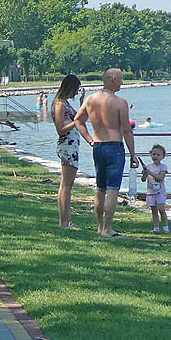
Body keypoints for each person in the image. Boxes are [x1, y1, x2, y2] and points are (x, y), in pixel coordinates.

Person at [72, 67, 138, 237]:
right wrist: (133, 154)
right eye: (121, 78)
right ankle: (108, 228)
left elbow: (78, 120)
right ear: (113, 79)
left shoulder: (91, 99)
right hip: (114, 147)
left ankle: (100, 227)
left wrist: (90, 140)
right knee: (112, 189)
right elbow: (127, 130)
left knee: (100, 188)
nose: (123, 82)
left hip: (98, 147)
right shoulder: (120, 102)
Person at [53, 75, 83, 229]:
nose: (76, 93)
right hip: (67, 146)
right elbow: (60, 129)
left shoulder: (65, 103)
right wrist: (76, 122)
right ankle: (65, 222)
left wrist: (81, 106)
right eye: (76, 89)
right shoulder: (60, 104)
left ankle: (64, 221)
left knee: (66, 185)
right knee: (66, 185)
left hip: (71, 146)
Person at [141, 144, 169, 233]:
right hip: (150, 192)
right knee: (154, 211)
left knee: (161, 209)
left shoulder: (163, 167)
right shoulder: (148, 167)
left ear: (163, 156)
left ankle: (165, 227)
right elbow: (143, 180)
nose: (155, 156)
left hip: (160, 192)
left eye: (158, 155)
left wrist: (150, 173)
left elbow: (161, 177)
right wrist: (145, 173)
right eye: (154, 154)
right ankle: (156, 228)